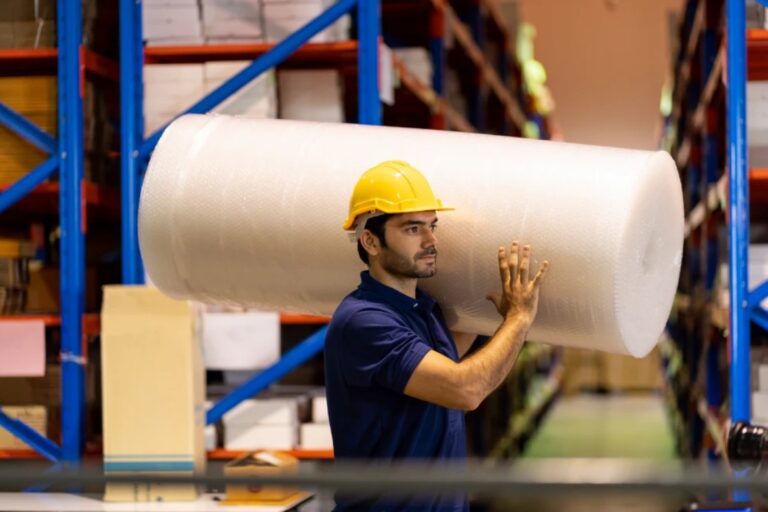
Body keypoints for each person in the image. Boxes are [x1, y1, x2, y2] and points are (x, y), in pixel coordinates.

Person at [324, 160, 549, 511]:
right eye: (413, 229)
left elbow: (449, 362)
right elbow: (464, 389)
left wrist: (498, 312)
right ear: (370, 240)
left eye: (433, 226)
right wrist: (519, 318)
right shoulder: (364, 321)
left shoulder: (420, 309)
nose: (432, 241)